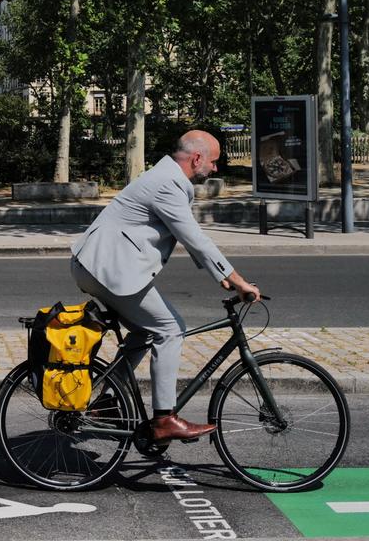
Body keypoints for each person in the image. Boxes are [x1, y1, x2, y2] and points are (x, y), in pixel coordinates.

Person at [70, 130, 260, 444]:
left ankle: (106, 403)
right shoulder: (168, 184)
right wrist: (237, 279)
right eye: (213, 162)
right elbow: (194, 237)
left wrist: (221, 276)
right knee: (171, 329)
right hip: (108, 269)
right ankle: (164, 419)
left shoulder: (166, 177)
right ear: (196, 158)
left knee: (146, 332)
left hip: (99, 266)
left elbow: (189, 238)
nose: (215, 168)